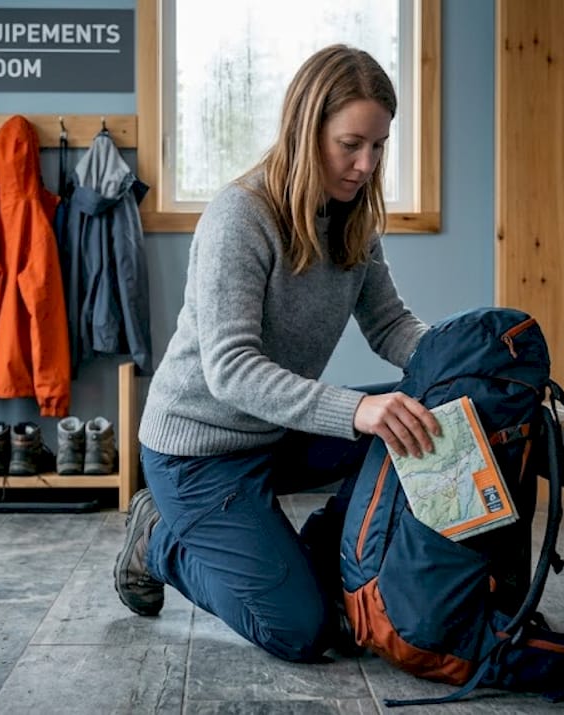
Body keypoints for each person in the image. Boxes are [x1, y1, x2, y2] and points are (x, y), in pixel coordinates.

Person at [113, 44, 440, 663]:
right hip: (197, 453)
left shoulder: (353, 221)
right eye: (350, 145)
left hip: (274, 435)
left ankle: (323, 557)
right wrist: (355, 410)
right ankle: (156, 538)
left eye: (378, 146)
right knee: (302, 631)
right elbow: (231, 369)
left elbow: (391, 325)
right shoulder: (241, 215)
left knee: (418, 417)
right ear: (305, 130)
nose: (366, 165)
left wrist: (462, 361)